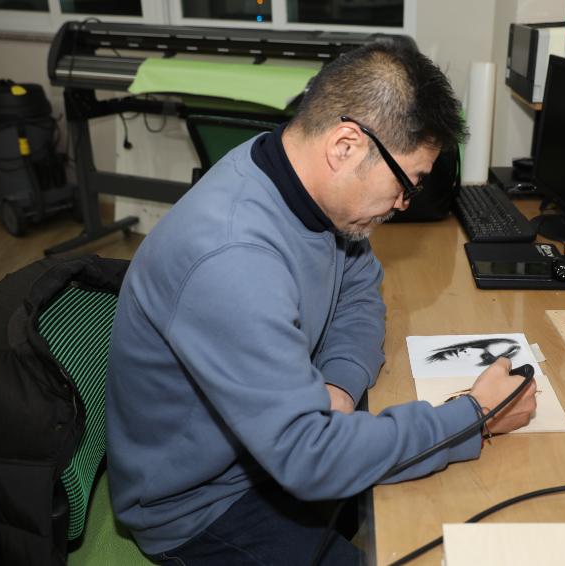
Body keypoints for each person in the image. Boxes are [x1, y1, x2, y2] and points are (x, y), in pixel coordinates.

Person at [105, 40, 538, 565]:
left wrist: (339, 385)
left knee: (439, 510)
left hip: (270, 456)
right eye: (406, 184)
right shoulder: (231, 257)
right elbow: (310, 458)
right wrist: (476, 416)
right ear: (346, 146)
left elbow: (360, 293)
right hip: (203, 509)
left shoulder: (300, 180)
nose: (403, 205)